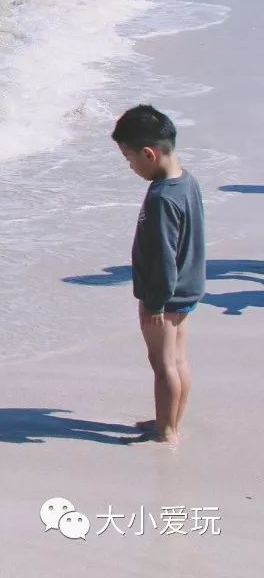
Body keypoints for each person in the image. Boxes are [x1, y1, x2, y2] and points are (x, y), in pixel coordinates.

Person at [110, 106, 204, 445]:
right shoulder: (186, 181)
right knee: (178, 359)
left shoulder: (162, 199)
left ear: (149, 154)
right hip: (188, 285)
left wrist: (154, 303)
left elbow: (164, 257)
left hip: (165, 294)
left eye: (129, 158)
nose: (130, 166)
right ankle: (172, 418)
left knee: (162, 363)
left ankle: (166, 431)